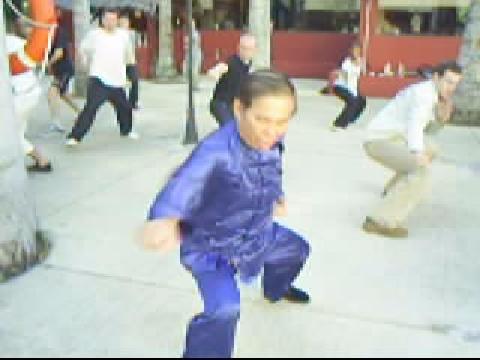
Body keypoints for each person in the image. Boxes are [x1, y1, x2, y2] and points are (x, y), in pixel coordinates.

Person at [142, 71, 311, 358]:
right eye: (263, 120)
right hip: (211, 247)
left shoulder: (270, 141)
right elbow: (185, 183)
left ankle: (276, 288)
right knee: (224, 309)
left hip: (256, 232)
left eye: (282, 122)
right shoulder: (215, 151)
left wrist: (275, 196)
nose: (272, 130)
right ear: (238, 109)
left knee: (296, 249)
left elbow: (270, 169)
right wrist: (164, 219)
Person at [363, 61, 463, 238]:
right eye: (448, 81)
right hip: (378, 140)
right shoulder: (423, 94)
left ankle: (393, 190)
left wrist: (442, 118)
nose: (451, 88)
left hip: (396, 138)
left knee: (432, 148)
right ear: (436, 77)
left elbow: (428, 132)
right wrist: (417, 154)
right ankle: (379, 221)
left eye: (455, 84)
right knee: (421, 173)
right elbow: (415, 126)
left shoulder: (434, 94)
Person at [66, 8, 137, 147]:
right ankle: (75, 136)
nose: (111, 22)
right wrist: (84, 63)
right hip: (99, 79)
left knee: (125, 108)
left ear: (117, 20)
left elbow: (129, 56)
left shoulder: (123, 36)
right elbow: (83, 50)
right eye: (108, 19)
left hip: (117, 80)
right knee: (91, 108)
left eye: (113, 19)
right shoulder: (95, 35)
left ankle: (126, 130)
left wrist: (131, 74)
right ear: (103, 21)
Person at [6, 31, 52, 173]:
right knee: (17, 132)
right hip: (29, 92)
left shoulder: (8, 44)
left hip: (20, 96)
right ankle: (41, 160)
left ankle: (41, 160)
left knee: (11, 134)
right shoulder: (14, 39)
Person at [209, 34, 257, 127]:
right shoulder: (232, 61)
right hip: (221, 104)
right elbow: (223, 66)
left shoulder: (249, 65)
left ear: (254, 50)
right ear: (238, 47)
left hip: (235, 105)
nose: (246, 51)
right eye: (243, 48)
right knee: (230, 127)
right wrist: (215, 71)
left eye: (249, 49)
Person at [47, 9, 80, 132]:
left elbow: (59, 53)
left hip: (64, 69)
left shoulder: (60, 32)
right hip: (59, 69)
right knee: (63, 94)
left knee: (52, 93)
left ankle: (56, 123)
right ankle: (81, 112)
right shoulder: (48, 32)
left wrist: (47, 64)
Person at [331, 42, 366, 131]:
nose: (356, 52)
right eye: (354, 50)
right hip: (340, 87)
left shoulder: (361, 61)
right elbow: (346, 78)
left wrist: (360, 66)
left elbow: (360, 74)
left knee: (362, 101)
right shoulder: (346, 61)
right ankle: (338, 124)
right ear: (351, 51)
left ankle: (350, 118)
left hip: (351, 88)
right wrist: (354, 66)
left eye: (358, 51)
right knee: (352, 102)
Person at [119, 12, 139, 110]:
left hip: (131, 61)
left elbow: (135, 46)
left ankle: (133, 102)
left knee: (134, 81)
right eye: (122, 22)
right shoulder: (116, 33)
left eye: (126, 22)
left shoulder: (132, 33)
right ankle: (121, 103)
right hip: (119, 62)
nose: (124, 23)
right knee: (118, 83)